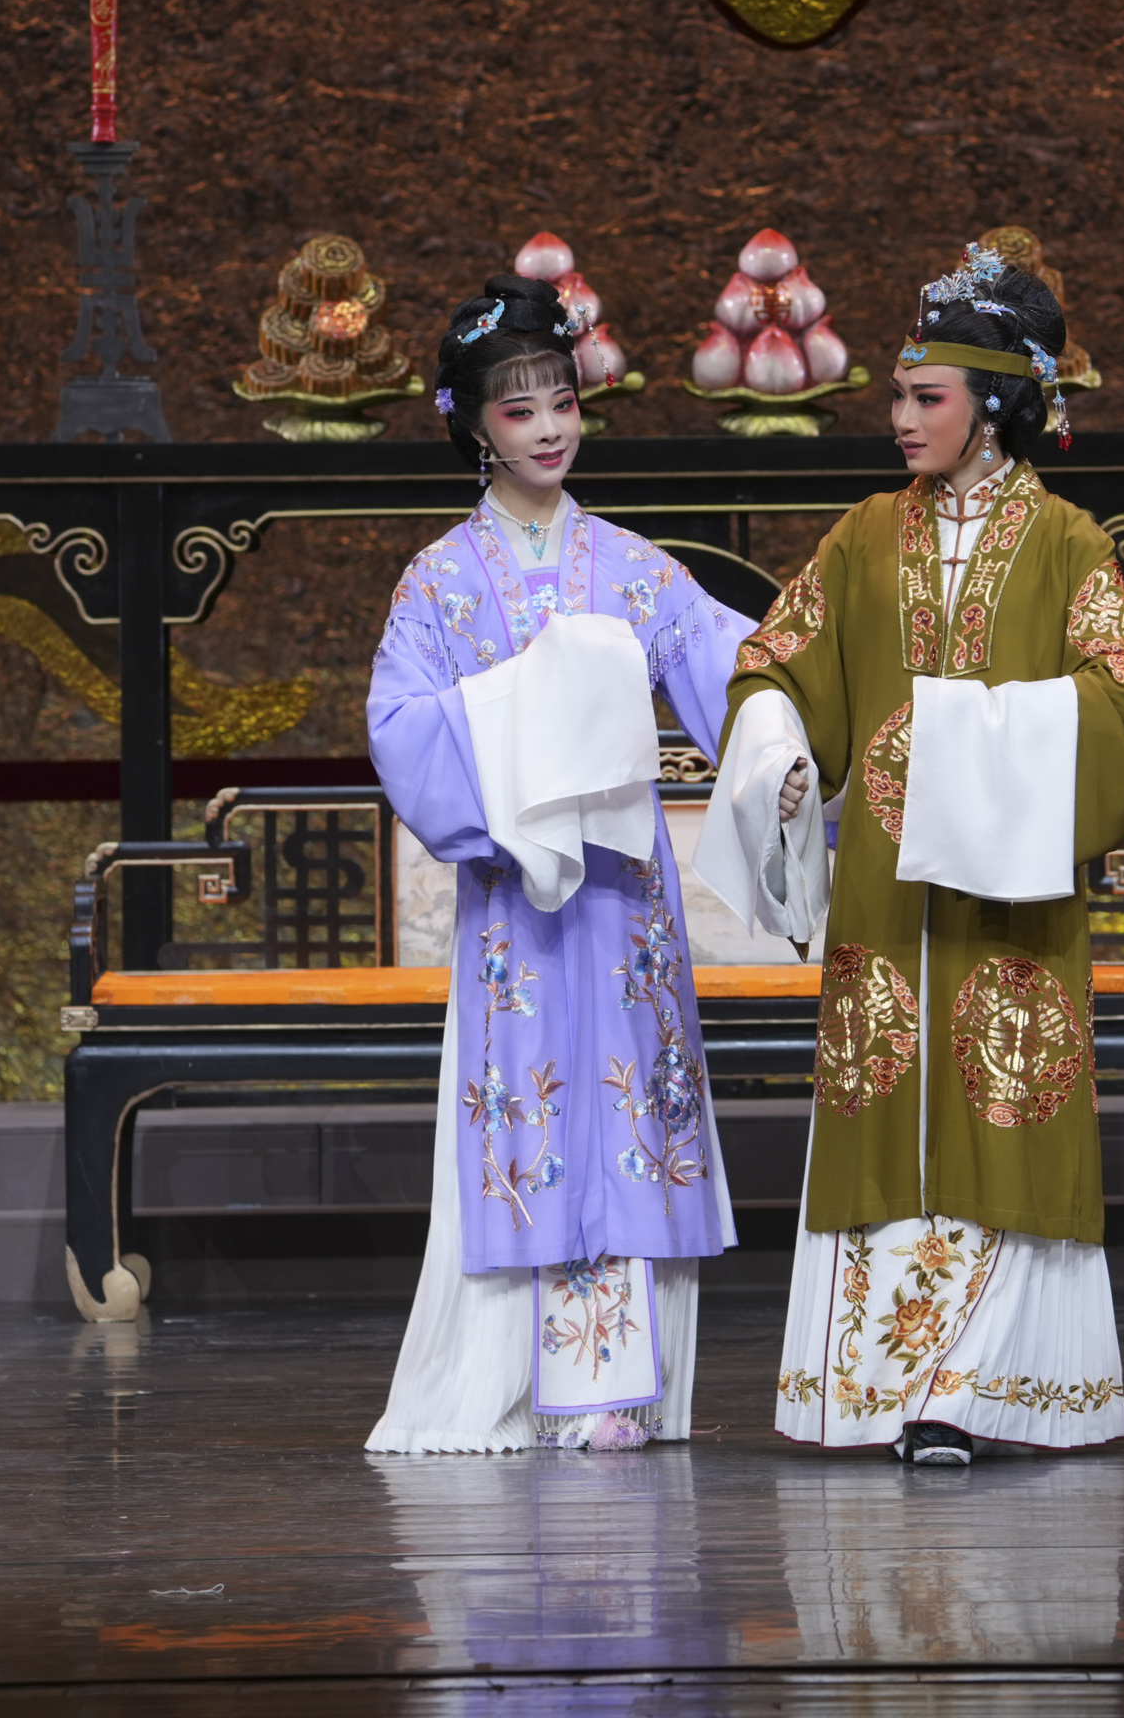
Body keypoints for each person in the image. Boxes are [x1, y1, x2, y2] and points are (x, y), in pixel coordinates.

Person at [698, 243, 1124, 1465]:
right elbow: (777, 659)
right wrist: (780, 742)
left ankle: (980, 1388)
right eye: (897, 396)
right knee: (885, 1099)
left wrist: (974, 739)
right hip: (886, 900)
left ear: (994, 403)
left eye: (926, 396)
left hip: (1004, 910)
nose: (900, 418)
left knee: (1007, 1111)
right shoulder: (865, 536)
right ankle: (872, 1391)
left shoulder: (1066, 543)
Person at [364, 274, 755, 1453]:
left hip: (625, 896)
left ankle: (621, 1384)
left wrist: (791, 729)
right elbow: (401, 725)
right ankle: (512, 1383)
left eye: (563, 401)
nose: (548, 427)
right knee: (527, 1103)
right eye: (519, 406)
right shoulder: (439, 581)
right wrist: (521, 726)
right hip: (517, 904)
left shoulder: (636, 568)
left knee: (627, 1096)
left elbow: (739, 671)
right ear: (474, 424)